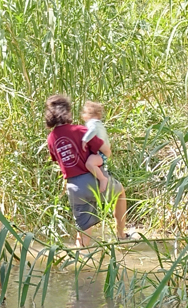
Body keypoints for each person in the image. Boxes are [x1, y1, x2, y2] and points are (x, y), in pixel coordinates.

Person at [44, 94, 127, 247]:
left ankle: (80, 263)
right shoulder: (80, 130)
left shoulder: (51, 138)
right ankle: (121, 235)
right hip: (93, 181)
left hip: (74, 187)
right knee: (120, 192)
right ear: (67, 113)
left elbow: (59, 161)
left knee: (83, 232)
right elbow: (106, 150)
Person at [80, 101, 111, 193]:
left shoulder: (92, 123)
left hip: (100, 153)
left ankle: (102, 179)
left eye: (85, 113)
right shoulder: (99, 124)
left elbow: (92, 130)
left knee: (89, 164)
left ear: (90, 114)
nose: (83, 115)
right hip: (102, 152)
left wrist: (85, 140)